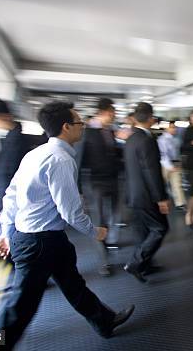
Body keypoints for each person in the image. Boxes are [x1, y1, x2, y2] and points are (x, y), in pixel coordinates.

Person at [0, 102, 134, 350]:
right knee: (19, 308)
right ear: (66, 127)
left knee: (72, 283)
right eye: (80, 123)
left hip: (41, 238)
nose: (83, 127)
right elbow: (70, 211)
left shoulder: (34, 154)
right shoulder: (61, 159)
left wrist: (5, 231)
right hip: (39, 242)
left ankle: (105, 321)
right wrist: (94, 231)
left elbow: (10, 196)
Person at [123, 103, 170, 283]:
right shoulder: (147, 140)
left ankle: (146, 265)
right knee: (160, 228)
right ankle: (135, 263)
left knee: (143, 232)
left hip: (133, 194)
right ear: (151, 118)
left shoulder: (131, 138)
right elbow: (152, 171)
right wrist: (161, 198)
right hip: (146, 195)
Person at [77, 98, 122, 276]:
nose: (114, 115)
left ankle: (106, 242)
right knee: (99, 221)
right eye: (112, 112)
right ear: (102, 112)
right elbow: (79, 161)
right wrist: (79, 189)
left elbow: (113, 155)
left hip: (113, 179)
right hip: (95, 183)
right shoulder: (86, 133)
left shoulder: (110, 131)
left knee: (113, 216)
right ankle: (103, 261)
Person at [0, 98, 29, 213]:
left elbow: (7, 175)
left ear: (2, 116)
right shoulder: (11, 138)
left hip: (8, 203)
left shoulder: (15, 142)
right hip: (8, 201)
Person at [157, 120, 186, 209]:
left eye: (175, 127)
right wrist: (170, 166)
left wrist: (178, 163)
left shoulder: (176, 139)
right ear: (166, 128)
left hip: (176, 163)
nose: (174, 129)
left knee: (177, 184)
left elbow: (178, 152)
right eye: (172, 127)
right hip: (165, 165)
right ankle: (159, 201)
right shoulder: (162, 139)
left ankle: (180, 203)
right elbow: (163, 154)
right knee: (161, 184)